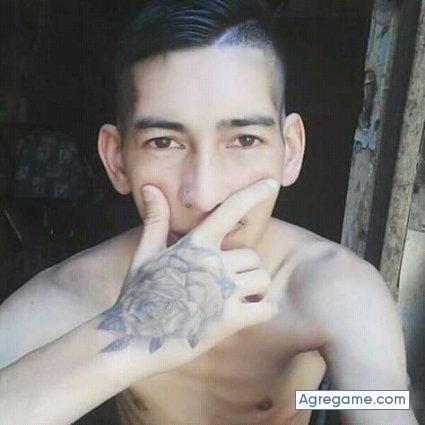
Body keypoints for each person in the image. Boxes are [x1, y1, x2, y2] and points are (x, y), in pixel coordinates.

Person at [0, 1, 418, 424]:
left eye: (245, 140)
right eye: (164, 143)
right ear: (117, 160)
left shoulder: (333, 286)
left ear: (290, 151)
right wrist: (126, 334)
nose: (204, 195)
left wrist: (343, 399)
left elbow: (385, 406)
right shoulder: (78, 289)